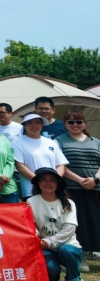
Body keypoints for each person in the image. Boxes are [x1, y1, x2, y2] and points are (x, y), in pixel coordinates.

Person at [28, 168, 86, 281]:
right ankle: (54, 278)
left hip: (68, 245)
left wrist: (50, 240)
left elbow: (70, 229)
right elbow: (31, 225)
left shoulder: (68, 203)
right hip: (45, 246)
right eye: (43, 179)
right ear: (38, 183)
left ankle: (76, 279)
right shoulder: (31, 201)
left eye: (52, 180)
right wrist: (36, 236)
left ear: (58, 183)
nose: (47, 183)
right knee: (51, 268)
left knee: (67, 251)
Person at [56, 110, 100, 259]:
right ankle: (80, 255)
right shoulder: (59, 141)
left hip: (95, 187)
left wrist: (95, 179)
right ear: (65, 124)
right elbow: (60, 164)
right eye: (71, 122)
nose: (75, 124)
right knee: (77, 221)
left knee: (95, 220)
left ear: (84, 123)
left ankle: (93, 249)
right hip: (72, 188)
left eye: (79, 121)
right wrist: (80, 180)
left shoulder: (96, 142)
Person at [13, 113, 68, 199]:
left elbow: (61, 165)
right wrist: (39, 181)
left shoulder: (51, 142)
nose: (34, 125)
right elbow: (20, 166)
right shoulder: (17, 142)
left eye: (37, 122)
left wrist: (54, 181)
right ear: (24, 126)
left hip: (53, 189)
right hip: (31, 189)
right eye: (30, 123)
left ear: (42, 125)